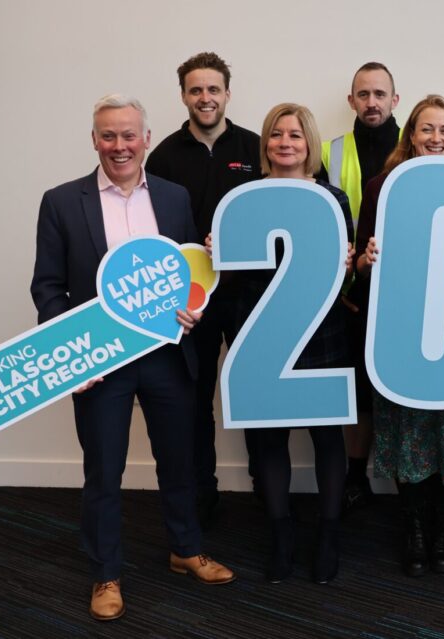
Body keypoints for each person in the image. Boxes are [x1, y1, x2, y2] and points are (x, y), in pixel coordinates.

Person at [30, 94, 235, 622]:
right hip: (102, 362)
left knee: (179, 460)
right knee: (104, 469)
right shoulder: (60, 201)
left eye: (128, 135)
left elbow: (191, 271)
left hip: (167, 355)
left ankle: (185, 549)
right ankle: (106, 573)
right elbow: (49, 288)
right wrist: (71, 356)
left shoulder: (172, 196)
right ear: (94, 139)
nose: (119, 146)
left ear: (146, 139)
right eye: (108, 135)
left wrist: (195, 302)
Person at [223, 103, 355, 584]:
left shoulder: (334, 200)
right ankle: (280, 535)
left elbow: (342, 274)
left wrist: (348, 262)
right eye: (276, 134)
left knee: (326, 436)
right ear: (265, 144)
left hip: (321, 333)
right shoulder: (242, 199)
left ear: (310, 143)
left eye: (295, 135)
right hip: (261, 333)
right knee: (267, 439)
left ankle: (329, 532)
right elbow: (234, 278)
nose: (285, 142)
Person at [355, 95, 444, 577]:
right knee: (407, 430)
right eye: (427, 129)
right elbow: (361, 269)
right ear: (411, 135)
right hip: (400, 332)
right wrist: (369, 258)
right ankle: (415, 528)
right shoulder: (383, 186)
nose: (436, 139)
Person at [146, 52, 262, 526]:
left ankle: (264, 488)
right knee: (194, 399)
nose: (205, 98)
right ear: (183, 96)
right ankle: (202, 494)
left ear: (228, 93)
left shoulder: (256, 147)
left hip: (249, 294)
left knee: (255, 393)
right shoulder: (164, 157)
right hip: (189, 301)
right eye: (196, 90)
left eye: (213, 89)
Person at [321, 62, 402, 509]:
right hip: (349, 292)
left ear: (395, 99)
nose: (372, 102)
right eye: (363, 94)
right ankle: (356, 473)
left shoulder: (419, 143)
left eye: (380, 94)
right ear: (351, 100)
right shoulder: (329, 151)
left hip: (403, 289)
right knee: (356, 388)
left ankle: (409, 472)